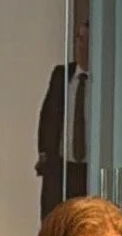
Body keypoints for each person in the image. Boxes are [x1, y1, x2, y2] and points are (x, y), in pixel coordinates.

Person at [37, 20, 91, 218]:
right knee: (54, 229)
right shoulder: (61, 75)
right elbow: (48, 116)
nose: (81, 45)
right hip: (60, 169)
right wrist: (44, 154)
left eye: (87, 40)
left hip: (88, 169)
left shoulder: (104, 79)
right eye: (79, 39)